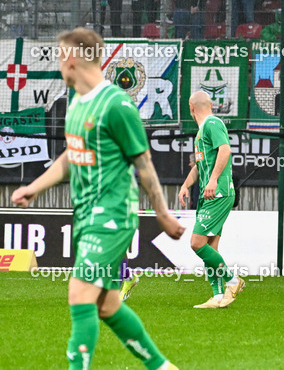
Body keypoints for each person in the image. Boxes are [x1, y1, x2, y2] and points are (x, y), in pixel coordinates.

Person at [11, 28, 185, 369]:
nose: (59, 63)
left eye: (60, 56)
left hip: (112, 216)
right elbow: (70, 156)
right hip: (86, 216)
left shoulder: (116, 105)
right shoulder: (77, 103)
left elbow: (144, 163)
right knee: (107, 305)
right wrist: (35, 187)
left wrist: (162, 213)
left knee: (79, 294)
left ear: (71, 59)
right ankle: (162, 366)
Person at [177, 91, 244, 308]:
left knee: (197, 243)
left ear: (190, 107)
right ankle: (217, 296)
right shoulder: (201, 132)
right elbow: (199, 167)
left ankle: (233, 281)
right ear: (211, 104)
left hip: (218, 192)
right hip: (210, 194)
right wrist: (186, 185)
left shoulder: (212, 123)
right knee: (210, 248)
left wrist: (213, 179)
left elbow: (225, 150)